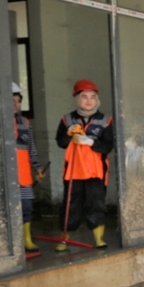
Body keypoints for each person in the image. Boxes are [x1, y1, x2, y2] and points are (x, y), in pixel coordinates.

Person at [54, 79, 114, 251]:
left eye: (92, 97)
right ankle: (65, 237)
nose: (88, 101)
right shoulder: (67, 119)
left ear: (97, 100)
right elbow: (61, 142)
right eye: (84, 97)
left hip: (96, 171)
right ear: (77, 98)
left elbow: (108, 145)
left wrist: (90, 142)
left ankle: (99, 238)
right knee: (70, 204)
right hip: (73, 170)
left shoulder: (105, 120)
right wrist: (68, 134)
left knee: (96, 203)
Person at [13, 83, 45, 253]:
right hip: (6, 177)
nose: (15, 104)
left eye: (18, 101)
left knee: (26, 208)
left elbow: (31, 149)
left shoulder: (25, 122)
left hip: (24, 175)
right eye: (11, 100)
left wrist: (38, 168)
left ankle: (27, 239)